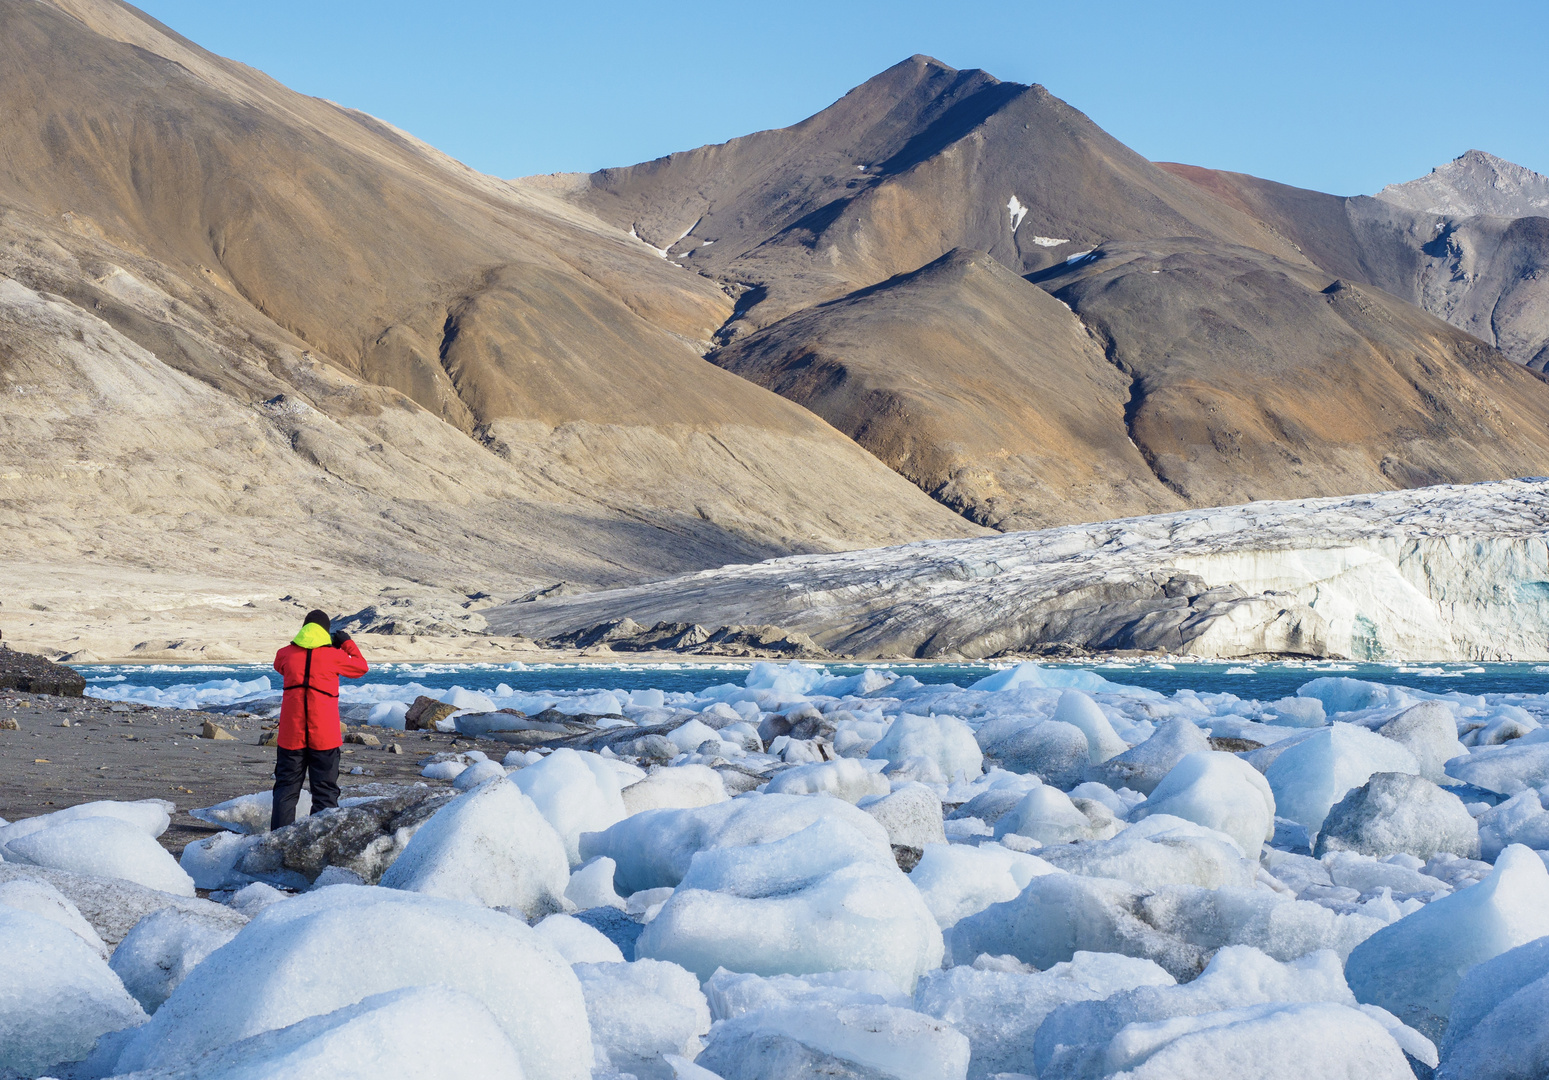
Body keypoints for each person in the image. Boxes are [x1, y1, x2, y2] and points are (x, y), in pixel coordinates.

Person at [270, 609, 368, 830]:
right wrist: (346, 643)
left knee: (286, 790)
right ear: (325, 631)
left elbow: (279, 666)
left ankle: (276, 843)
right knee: (325, 792)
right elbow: (361, 667)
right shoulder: (335, 657)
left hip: (290, 736)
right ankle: (318, 843)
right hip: (325, 737)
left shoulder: (285, 653)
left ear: (304, 629)